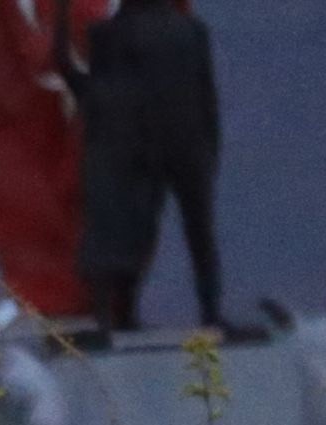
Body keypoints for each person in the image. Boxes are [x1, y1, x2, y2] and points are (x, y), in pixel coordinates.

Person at [68, 0, 224, 334]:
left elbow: (204, 93)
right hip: (161, 146)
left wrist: (208, 146)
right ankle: (124, 313)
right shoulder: (119, 34)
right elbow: (109, 95)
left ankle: (206, 311)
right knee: (143, 230)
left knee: (174, 231)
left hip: (172, 145)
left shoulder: (185, 32)